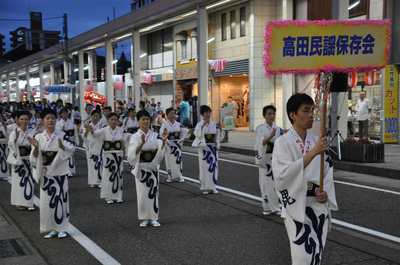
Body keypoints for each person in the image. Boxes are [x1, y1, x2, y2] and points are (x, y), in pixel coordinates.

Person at [272, 93, 338, 264]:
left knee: (317, 253)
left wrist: (325, 192)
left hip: (317, 205)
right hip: (296, 205)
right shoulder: (283, 142)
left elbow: (327, 171)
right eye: (306, 111)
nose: (311, 115)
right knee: (301, 255)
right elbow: (282, 175)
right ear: (292, 115)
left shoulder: (317, 141)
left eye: (312, 110)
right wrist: (314, 152)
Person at [28, 108, 75, 239]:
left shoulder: (61, 135)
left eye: (52, 118)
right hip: (45, 172)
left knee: (61, 200)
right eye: (47, 118)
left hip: (59, 171)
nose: (50, 120)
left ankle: (61, 228)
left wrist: (62, 147)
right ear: (42, 121)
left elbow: (71, 148)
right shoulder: (38, 137)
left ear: (56, 119)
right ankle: (51, 228)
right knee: (46, 202)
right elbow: (34, 157)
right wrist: (36, 148)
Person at [127, 110, 169, 228]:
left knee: (154, 192)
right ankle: (144, 218)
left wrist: (164, 141)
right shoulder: (135, 136)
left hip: (152, 166)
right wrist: (141, 143)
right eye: (143, 119)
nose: (145, 121)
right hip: (141, 167)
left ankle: (154, 217)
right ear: (138, 121)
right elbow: (131, 153)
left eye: (147, 119)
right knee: (142, 193)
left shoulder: (155, 135)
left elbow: (161, 150)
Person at [85, 112, 131, 204]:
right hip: (108, 155)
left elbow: (130, 136)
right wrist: (92, 131)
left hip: (118, 154)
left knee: (118, 175)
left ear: (118, 121)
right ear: (108, 121)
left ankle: (118, 196)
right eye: (112, 120)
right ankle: (108, 196)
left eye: (115, 120)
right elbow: (96, 135)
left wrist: (140, 137)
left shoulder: (121, 130)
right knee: (108, 175)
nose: (113, 121)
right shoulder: (104, 130)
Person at [254, 105, 282, 216]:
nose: (272, 116)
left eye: (273, 113)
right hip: (265, 159)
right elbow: (261, 143)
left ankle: (276, 207)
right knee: (265, 184)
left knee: (275, 183)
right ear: (264, 116)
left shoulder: (278, 129)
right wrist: (271, 136)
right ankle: (267, 207)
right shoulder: (260, 128)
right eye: (269, 114)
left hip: (275, 159)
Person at [7, 111, 35, 210]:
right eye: (22, 119)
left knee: (30, 181)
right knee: (19, 182)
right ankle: (21, 202)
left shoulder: (31, 132)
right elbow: (10, 144)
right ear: (17, 120)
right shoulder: (13, 133)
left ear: (29, 120)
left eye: (26, 119)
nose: (24, 121)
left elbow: (35, 146)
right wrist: (15, 139)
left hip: (29, 159)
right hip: (18, 159)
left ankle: (29, 203)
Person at [192, 105, 222, 195]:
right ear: (202, 114)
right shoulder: (199, 124)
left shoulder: (214, 124)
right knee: (204, 168)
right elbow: (197, 135)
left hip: (212, 149)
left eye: (209, 112)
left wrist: (220, 129)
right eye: (206, 112)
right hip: (204, 149)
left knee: (214, 167)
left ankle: (213, 187)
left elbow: (218, 136)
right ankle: (205, 187)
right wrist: (202, 127)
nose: (208, 114)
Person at [161, 108, 194, 183]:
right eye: (171, 113)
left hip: (177, 144)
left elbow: (184, 130)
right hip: (169, 144)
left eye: (174, 113)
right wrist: (164, 132)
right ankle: (170, 176)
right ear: (167, 115)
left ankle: (179, 176)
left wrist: (189, 131)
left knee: (178, 160)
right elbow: (161, 132)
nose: (173, 115)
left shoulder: (178, 124)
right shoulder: (164, 124)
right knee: (169, 160)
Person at [81, 110, 103, 188]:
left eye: (97, 116)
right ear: (91, 117)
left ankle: (100, 181)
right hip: (90, 146)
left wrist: (99, 129)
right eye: (94, 116)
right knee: (91, 164)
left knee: (99, 163)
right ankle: (93, 181)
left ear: (99, 117)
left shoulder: (101, 125)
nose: (95, 117)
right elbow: (83, 136)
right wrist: (87, 130)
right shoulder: (88, 125)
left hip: (99, 145)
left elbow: (101, 134)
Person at [56, 108, 79, 177]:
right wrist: (62, 130)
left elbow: (75, 131)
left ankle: (70, 171)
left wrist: (76, 130)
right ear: (60, 115)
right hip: (63, 141)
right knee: (64, 156)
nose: (65, 114)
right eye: (63, 113)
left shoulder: (72, 122)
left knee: (71, 156)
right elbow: (57, 132)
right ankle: (64, 170)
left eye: (66, 113)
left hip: (71, 140)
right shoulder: (58, 123)